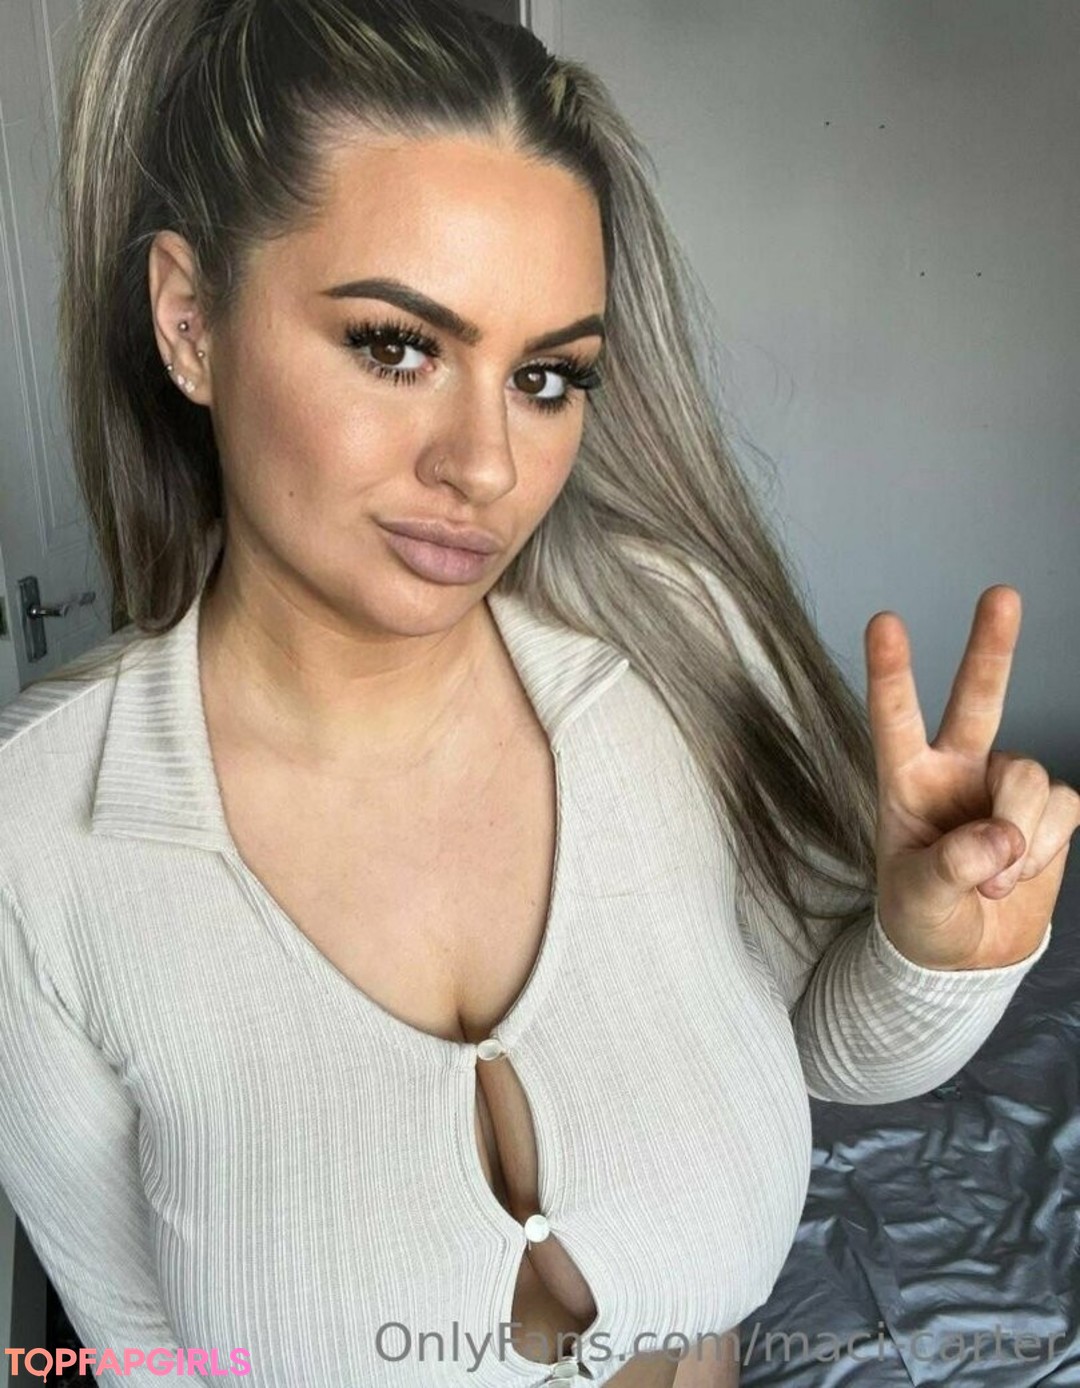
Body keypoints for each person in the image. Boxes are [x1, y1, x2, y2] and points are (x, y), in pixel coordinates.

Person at [1, 1, 1075, 1385]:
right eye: (396, 346)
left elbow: (821, 1045)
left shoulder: (668, 650)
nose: (489, 467)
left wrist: (938, 954)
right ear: (190, 322)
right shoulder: (36, 841)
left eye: (548, 376)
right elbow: (153, 1359)